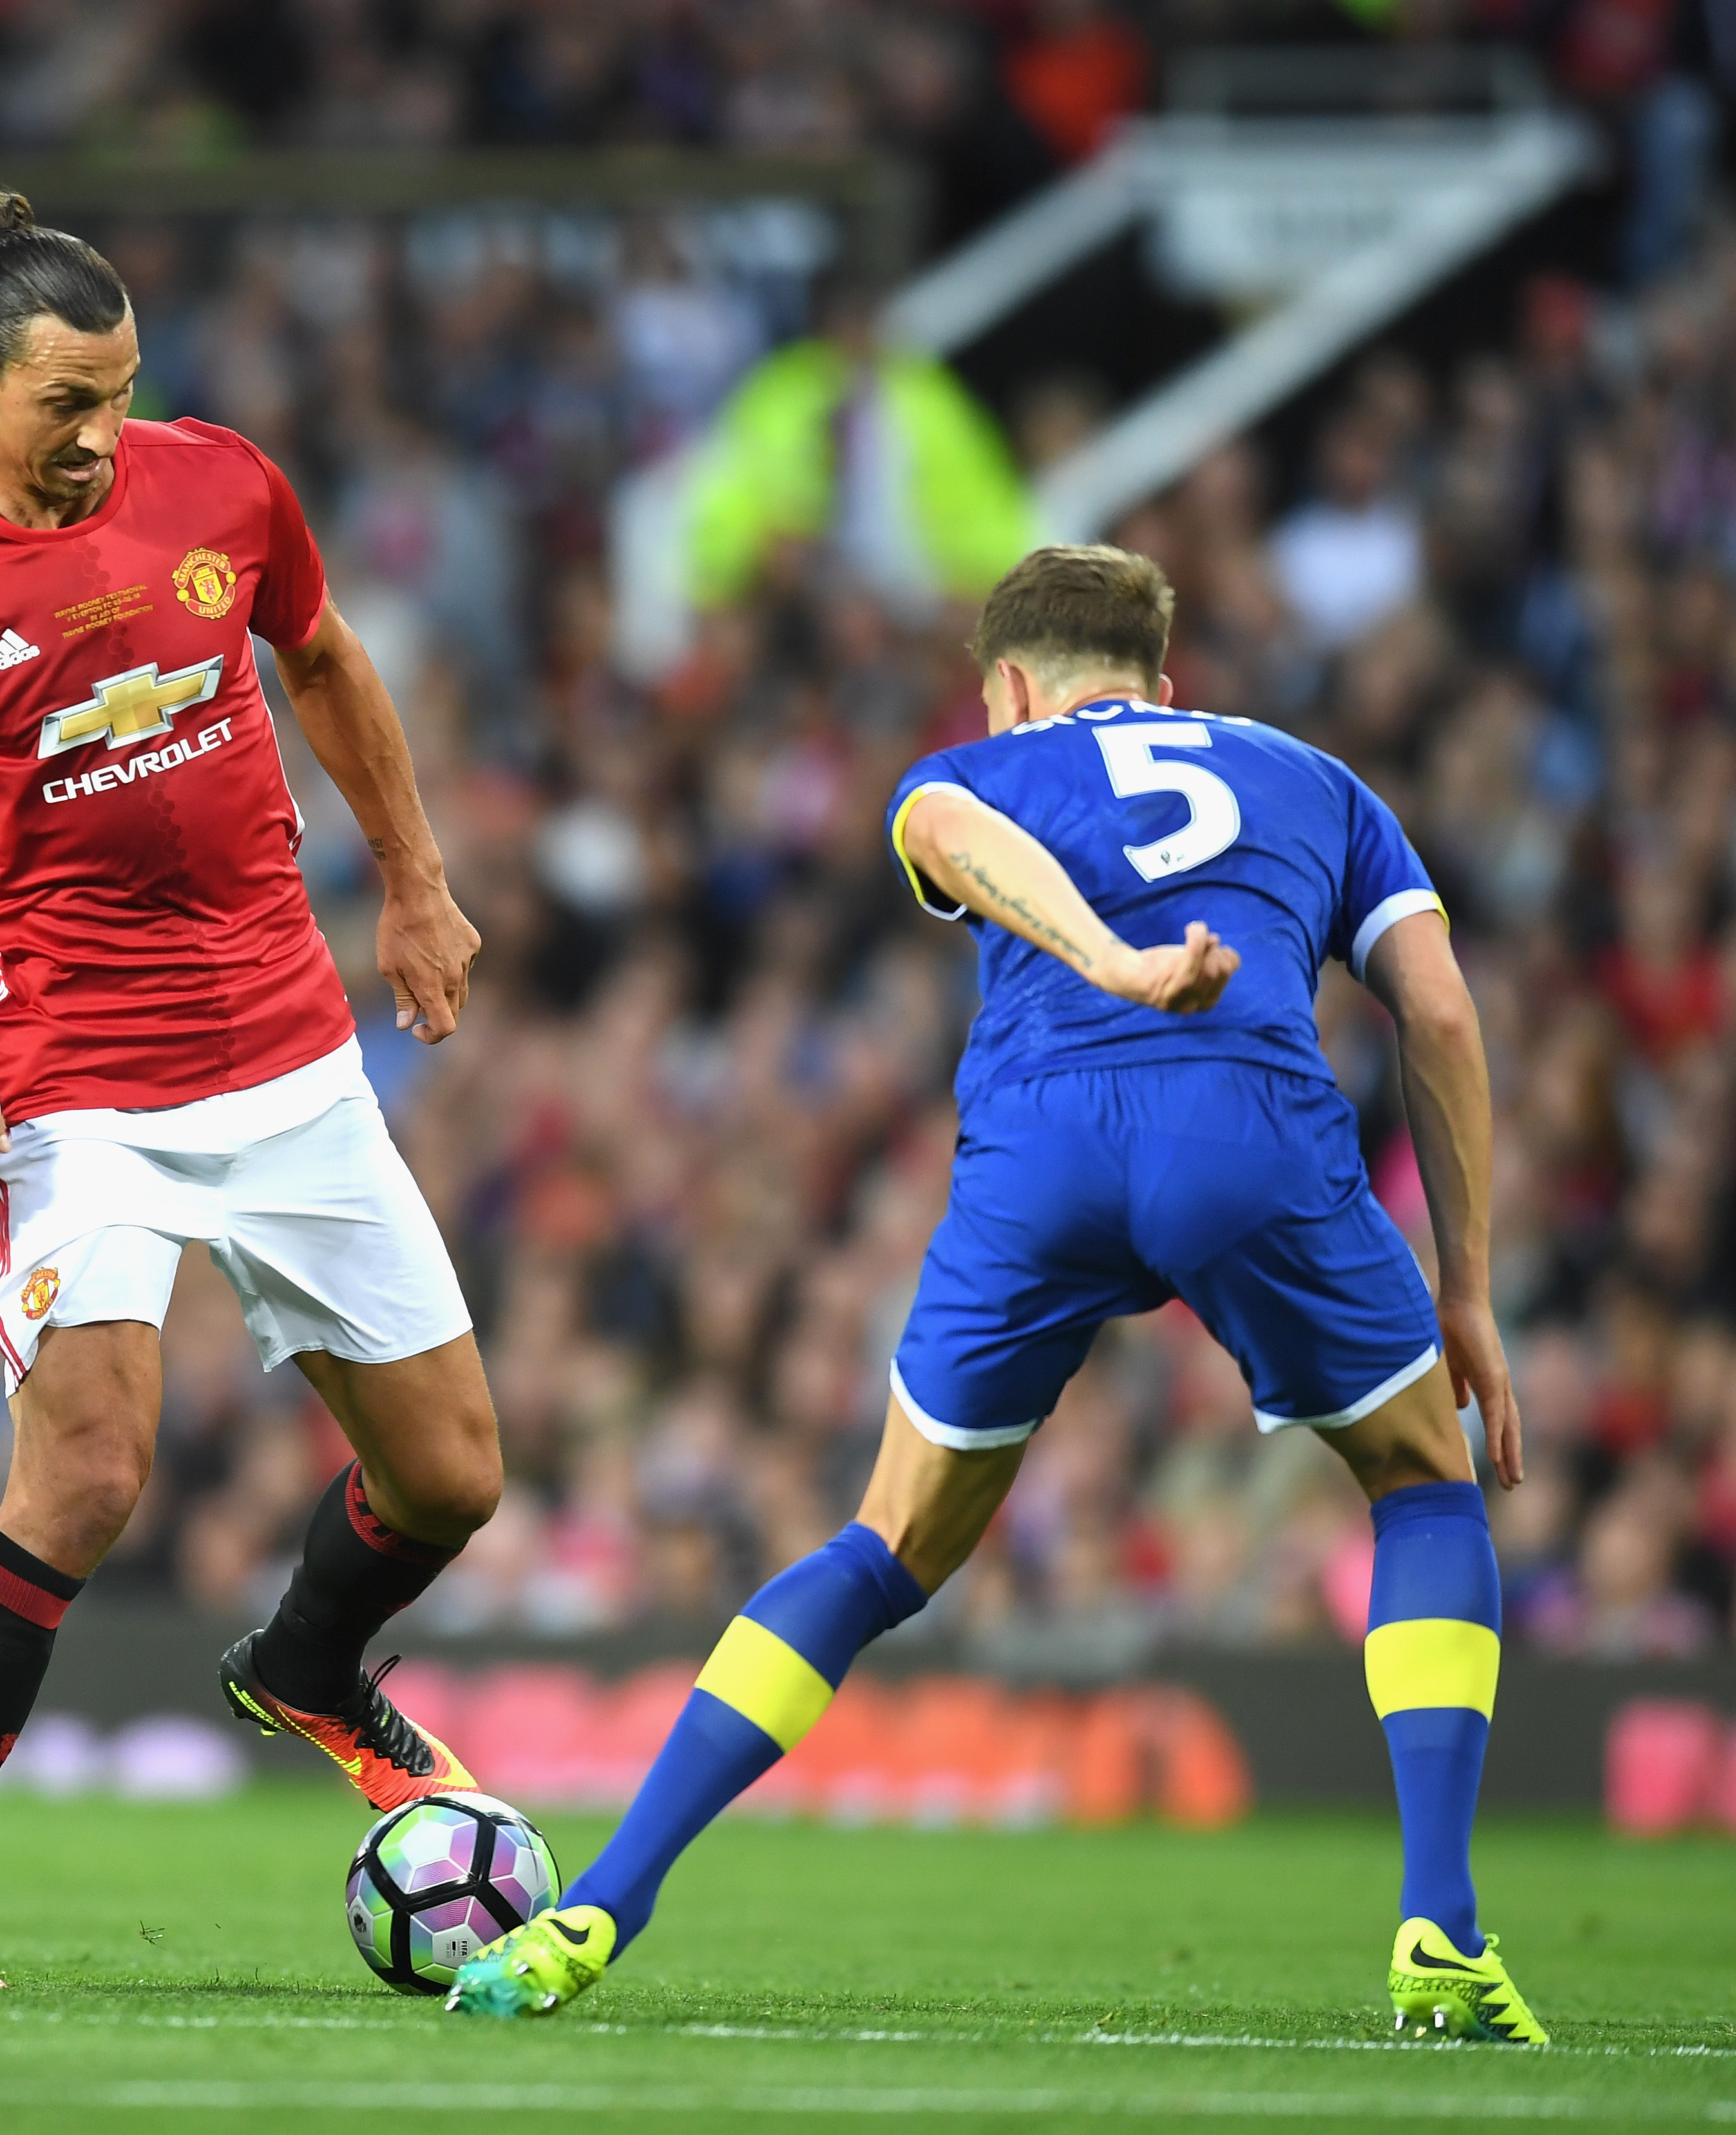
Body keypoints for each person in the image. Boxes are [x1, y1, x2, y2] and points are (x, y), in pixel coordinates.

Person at [451, 544, 1547, 2045]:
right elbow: (1431, 1006)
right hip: (1253, 1137)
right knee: (1421, 1489)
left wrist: (1100, 957)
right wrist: (1467, 1287)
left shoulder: (965, 769)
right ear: (1162, 685)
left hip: (1040, 1151)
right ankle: (1437, 1926)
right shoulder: (1313, 777)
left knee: (884, 1543)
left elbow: (948, 818)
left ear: (1013, 687)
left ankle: (600, 1903)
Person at [0, 191, 502, 1986]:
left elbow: (320, 657)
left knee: (453, 1480)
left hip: (292, 1055)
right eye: (58, 404)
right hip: (80, 1083)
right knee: (89, 1471)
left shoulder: (222, 486)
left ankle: (304, 1667)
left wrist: (410, 877)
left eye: (119, 392)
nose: (99, 436)